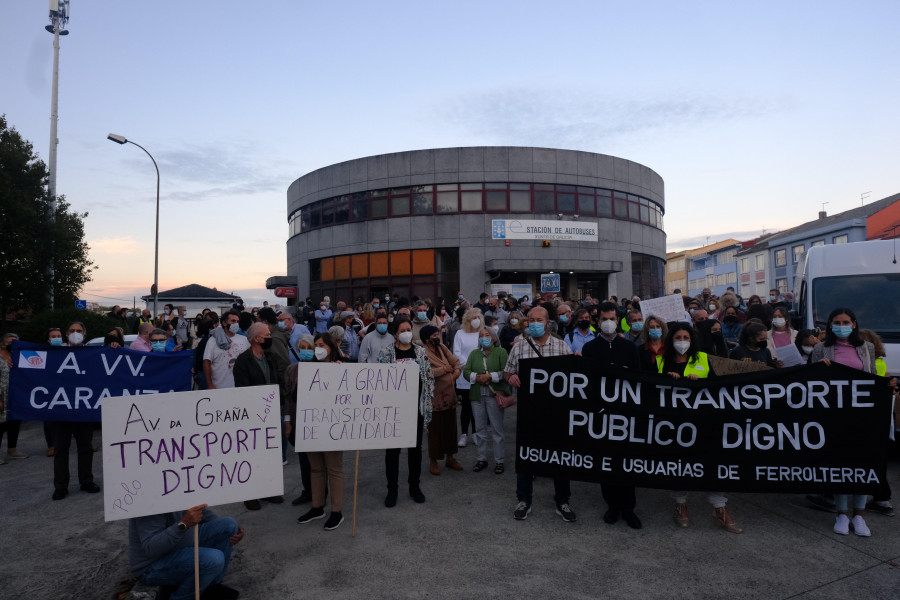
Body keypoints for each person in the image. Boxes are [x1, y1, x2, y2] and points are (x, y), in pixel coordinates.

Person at [656, 323, 740, 534]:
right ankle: (681, 503)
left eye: (686, 337)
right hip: (673, 422)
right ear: (670, 340)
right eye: (678, 337)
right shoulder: (660, 361)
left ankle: (719, 507)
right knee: (679, 463)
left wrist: (700, 382)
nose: (682, 341)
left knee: (710, 461)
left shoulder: (702, 358)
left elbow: (716, 387)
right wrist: (666, 379)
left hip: (702, 421)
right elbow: (652, 388)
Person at [503, 306, 575, 522]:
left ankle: (563, 501)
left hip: (556, 413)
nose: (534, 323)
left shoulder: (562, 347)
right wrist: (510, 378)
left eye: (539, 319)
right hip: (529, 412)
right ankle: (524, 499)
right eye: (531, 319)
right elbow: (508, 371)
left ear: (548, 323)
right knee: (526, 456)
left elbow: (574, 377)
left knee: (560, 457)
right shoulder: (519, 348)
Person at [810, 307, 877, 536]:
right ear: (830, 325)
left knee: (861, 464)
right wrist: (820, 370)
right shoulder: (821, 348)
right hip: (834, 414)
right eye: (836, 322)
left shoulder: (867, 348)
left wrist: (887, 386)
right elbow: (809, 381)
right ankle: (841, 513)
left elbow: (873, 377)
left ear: (854, 324)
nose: (841, 325)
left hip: (861, 415)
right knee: (840, 464)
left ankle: (859, 515)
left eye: (846, 321)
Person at [581, 302, 643, 529]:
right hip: (601, 414)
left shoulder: (629, 348)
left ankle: (628, 508)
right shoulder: (590, 349)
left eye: (613, 318)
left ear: (618, 321)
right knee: (605, 462)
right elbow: (585, 381)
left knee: (626, 462)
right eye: (604, 318)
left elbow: (640, 380)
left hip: (625, 414)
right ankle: (612, 506)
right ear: (598, 322)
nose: (609, 322)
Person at [129, 503, 243, 600]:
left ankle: (210, 585)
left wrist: (234, 533)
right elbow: (151, 549)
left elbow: (202, 513)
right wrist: (183, 524)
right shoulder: (149, 504)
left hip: (181, 543)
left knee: (229, 524)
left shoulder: (180, 487)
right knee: (214, 559)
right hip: (152, 565)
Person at [377, 317, 434, 507]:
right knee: (392, 453)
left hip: (414, 409)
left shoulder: (419, 352)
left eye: (409, 329)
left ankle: (414, 487)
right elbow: (378, 381)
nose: (407, 333)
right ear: (395, 334)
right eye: (403, 330)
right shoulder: (386, 353)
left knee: (415, 451)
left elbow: (428, 377)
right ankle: (392, 489)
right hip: (393, 411)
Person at [233, 323, 285, 510]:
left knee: (269, 453)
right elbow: (242, 389)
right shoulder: (243, 361)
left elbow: (278, 380)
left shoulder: (270, 357)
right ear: (257, 338)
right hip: (252, 414)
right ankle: (251, 494)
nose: (269, 337)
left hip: (271, 412)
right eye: (267, 334)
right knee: (251, 455)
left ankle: (268, 489)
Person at [296, 333, 346, 530]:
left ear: (331, 347)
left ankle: (336, 511)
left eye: (321, 344)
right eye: (315, 345)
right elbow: (295, 395)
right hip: (311, 424)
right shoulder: (306, 368)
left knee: (334, 468)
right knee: (315, 468)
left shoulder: (341, 368)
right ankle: (317, 507)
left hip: (332, 426)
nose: (317, 348)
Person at [52, 322, 99, 500]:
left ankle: (86, 481)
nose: (75, 333)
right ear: (66, 334)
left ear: (84, 335)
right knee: (60, 450)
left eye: (78, 331)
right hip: (60, 410)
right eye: (71, 331)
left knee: (85, 448)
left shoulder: (92, 354)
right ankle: (60, 486)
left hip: (83, 410)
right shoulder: (55, 354)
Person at [463, 327, 509, 474]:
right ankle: (481, 458)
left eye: (487, 335)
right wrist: (476, 377)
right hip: (477, 395)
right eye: (481, 335)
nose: (484, 337)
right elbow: (466, 371)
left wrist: (490, 376)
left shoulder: (501, 352)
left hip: (494, 395)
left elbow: (506, 371)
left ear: (494, 338)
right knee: (480, 429)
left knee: (497, 429)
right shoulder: (474, 353)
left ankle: (499, 461)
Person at [420, 325, 462, 475]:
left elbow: (455, 361)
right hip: (434, 398)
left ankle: (450, 458)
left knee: (450, 429)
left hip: (449, 395)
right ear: (427, 338)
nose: (437, 336)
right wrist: (445, 369)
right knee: (435, 431)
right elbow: (426, 372)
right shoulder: (422, 352)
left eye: (437, 333)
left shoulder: (443, 347)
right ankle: (434, 460)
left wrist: (455, 373)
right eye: (434, 334)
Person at [285, 335, 316, 506]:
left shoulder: (323, 368)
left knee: (318, 462)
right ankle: (308, 492)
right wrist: (288, 421)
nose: (305, 351)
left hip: (317, 421)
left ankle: (320, 493)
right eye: (302, 348)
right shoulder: (291, 370)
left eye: (308, 347)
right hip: (299, 421)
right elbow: (288, 397)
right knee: (304, 460)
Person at [452, 308, 483, 448]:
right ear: (467, 319)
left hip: (479, 374)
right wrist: (470, 366)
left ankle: (476, 433)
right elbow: (456, 352)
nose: (476, 320)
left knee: (476, 406)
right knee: (465, 406)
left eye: (478, 317)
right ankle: (464, 434)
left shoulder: (482, 334)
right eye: (473, 317)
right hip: (465, 375)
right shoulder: (460, 333)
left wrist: (478, 368)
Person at [203, 311, 250, 390]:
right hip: (219, 387)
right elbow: (206, 362)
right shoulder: (213, 340)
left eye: (237, 321)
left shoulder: (244, 340)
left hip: (240, 387)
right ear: (224, 323)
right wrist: (209, 384)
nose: (236, 324)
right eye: (233, 321)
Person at [0, 333, 27, 462]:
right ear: (3, 344)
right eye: (10, 343)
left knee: (15, 423)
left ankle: (12, 450)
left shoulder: (20, 356)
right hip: (2, 396)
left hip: (16, 395)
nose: (13, 345)